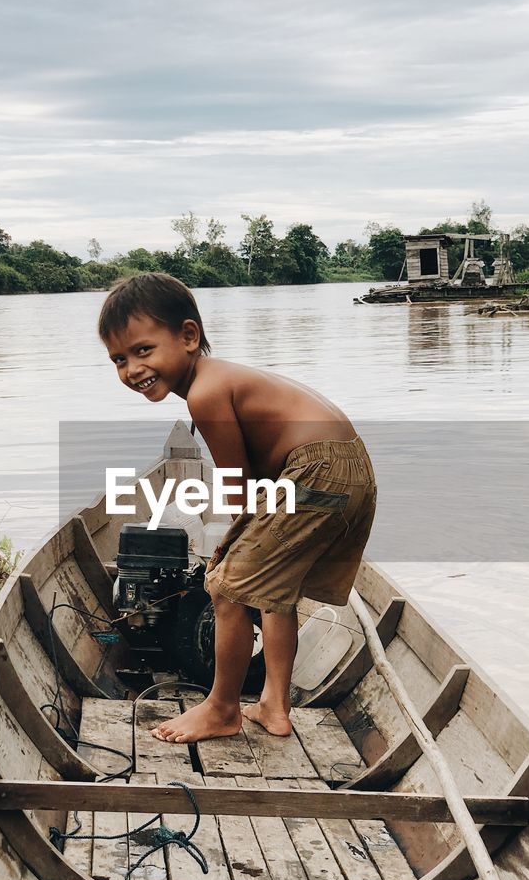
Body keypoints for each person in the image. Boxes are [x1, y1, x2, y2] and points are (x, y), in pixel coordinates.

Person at [99, 272, 376, 744]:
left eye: (143, 351)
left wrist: (227, 553)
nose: (131, 370)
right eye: (119, 359)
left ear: (188, 336)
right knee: (272, 591)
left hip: (318, 469)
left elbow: (237, 486)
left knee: (226, 587)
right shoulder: (220, 377)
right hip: (348, 469)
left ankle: (222, 708)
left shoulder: (206, 394)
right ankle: (273, 704)